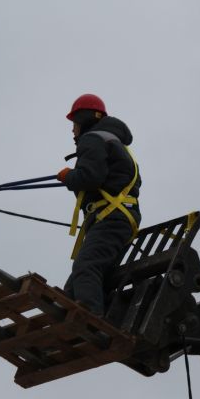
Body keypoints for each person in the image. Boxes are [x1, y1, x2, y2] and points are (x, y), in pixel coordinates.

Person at [56, 93, 142, 316]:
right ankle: (76, 326)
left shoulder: (92, 139)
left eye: (74, 123)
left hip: (111, 218)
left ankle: (91, 326)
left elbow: (90, 177)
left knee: (86, 268)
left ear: (83, 119)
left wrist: (69, 177)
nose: (72, 130)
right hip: (119, 218)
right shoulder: (114, 143)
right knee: (77, 283)